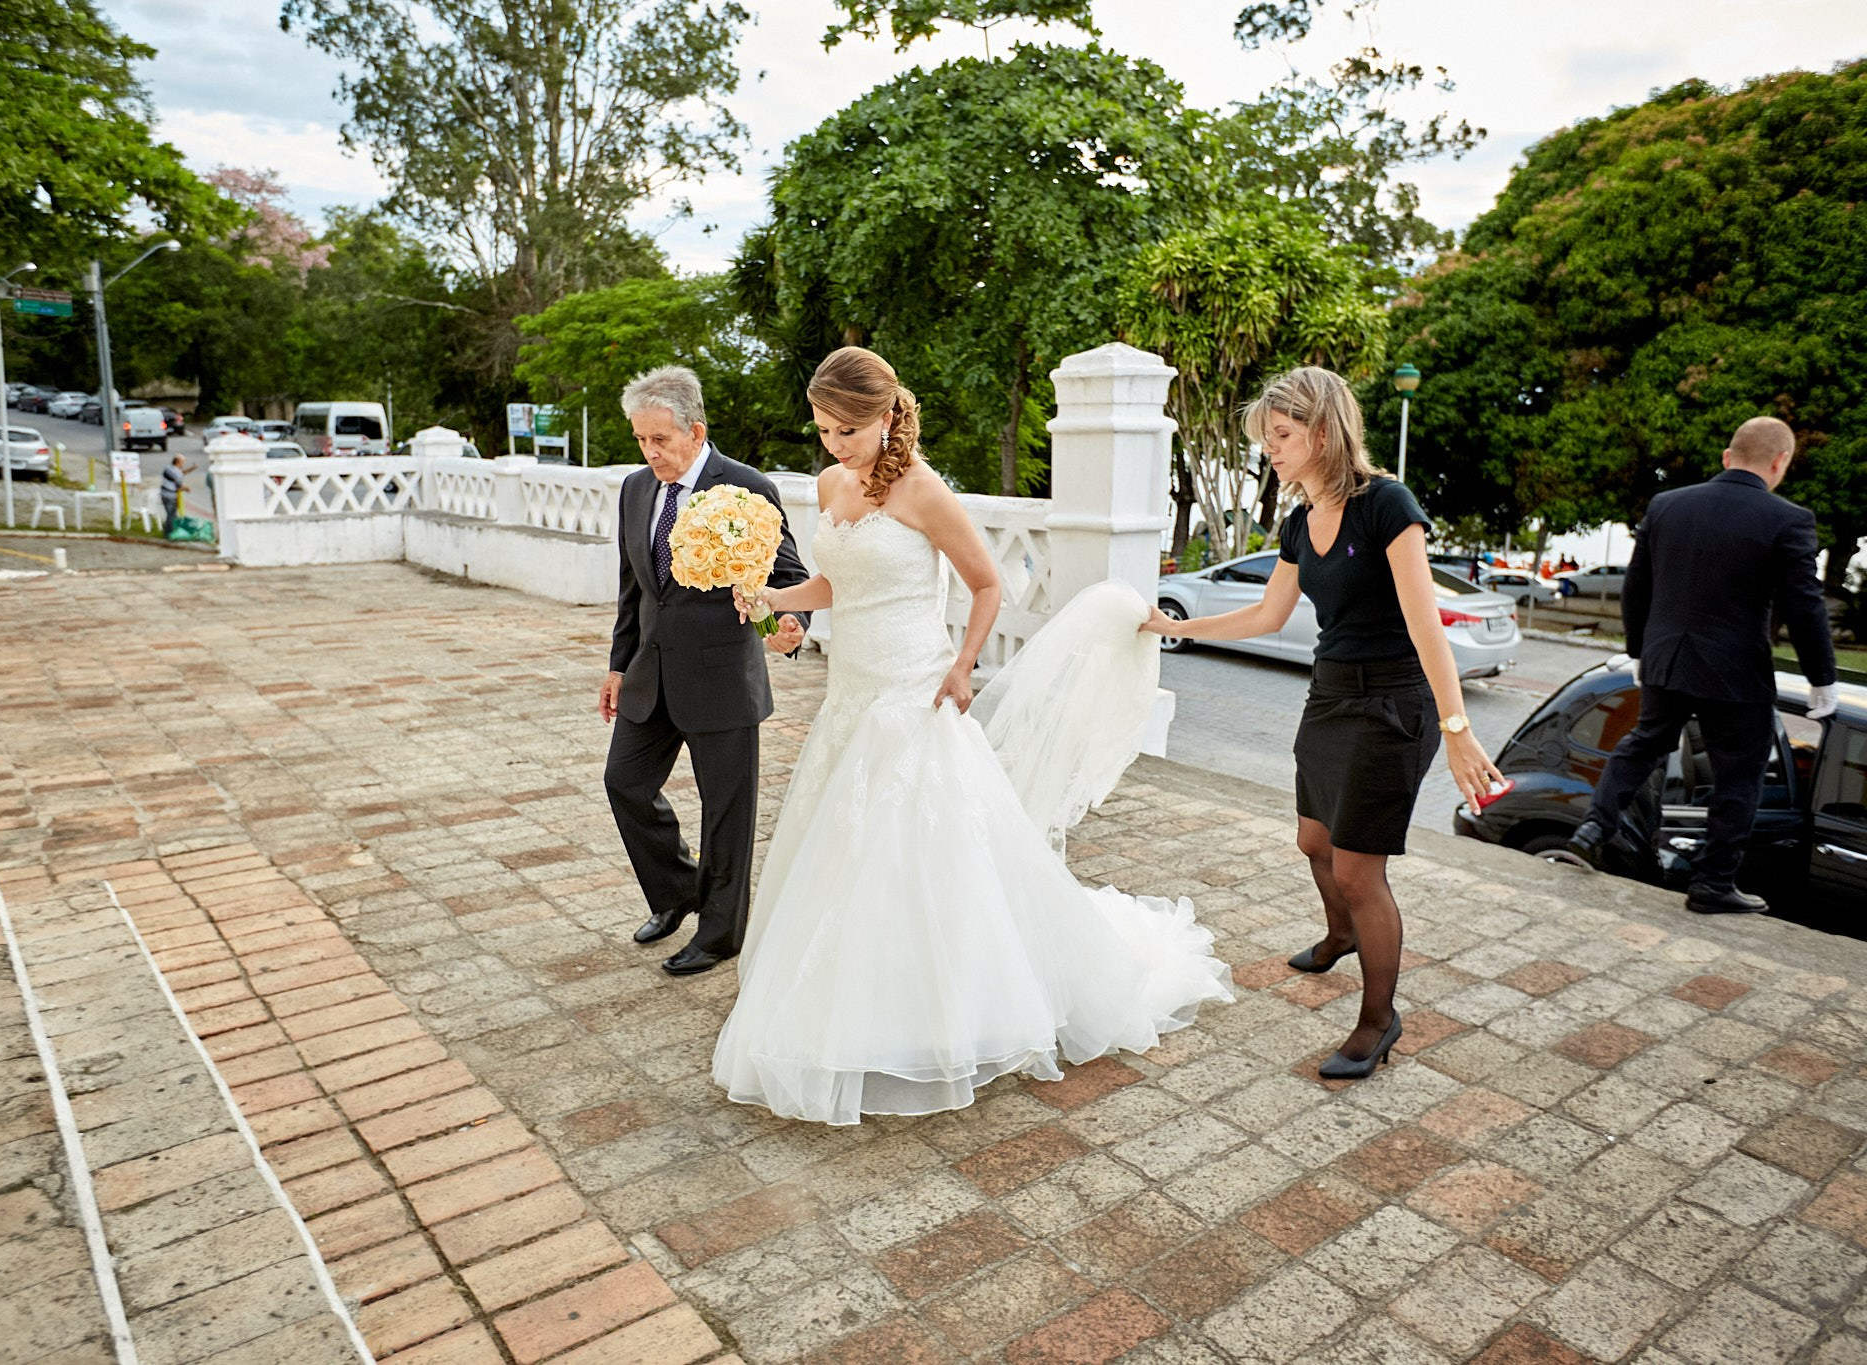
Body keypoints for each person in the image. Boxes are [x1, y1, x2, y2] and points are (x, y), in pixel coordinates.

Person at [712, 346, 1231, 1125]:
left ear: (887, 416)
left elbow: (987, 583)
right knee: (842, 851)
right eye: (822, 429)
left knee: (918, 853)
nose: (833, 444)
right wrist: (776, 596)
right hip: (850, 695)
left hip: (915, 694)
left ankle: (948, 1012)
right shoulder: (827, 484)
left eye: (846, 429)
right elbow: (841, 583)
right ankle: (856, 1001)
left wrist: (963, 666)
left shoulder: (924, 491)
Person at [1143, 366, 1503, 1079]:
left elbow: (1425, 620)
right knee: (1314, 838)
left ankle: (1378, 1019)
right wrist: (1171, 626)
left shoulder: (1386, 505)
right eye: (1267, 437)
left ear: (1322, 430)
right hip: (1331, 693)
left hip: (1394, 702)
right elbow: (1269, 614)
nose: (1270, 449)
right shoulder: (1299, 519)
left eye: (1281, 434)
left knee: (1359, 869)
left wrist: (1457, 727)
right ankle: (1340, 931)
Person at [1565, 416, 1838, 913]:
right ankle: (1713, 884)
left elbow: (1636, 587)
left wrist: (1639, 650)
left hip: (1669, 659)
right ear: (1780, 464)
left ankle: (1593, 826)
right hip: (1736, 674)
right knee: (1740, 772)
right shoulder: (1789, 519)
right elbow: (1804, 605)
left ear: (1726, 457)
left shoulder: (1668, 505)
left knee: (1645, 741)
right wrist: (1822, 680)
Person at [600, 366, 811, 977]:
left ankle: (720, 934)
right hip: (650, 674)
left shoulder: (745, 488)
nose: (649, 452)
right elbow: (632, 590)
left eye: (659, 440)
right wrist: (618, 666)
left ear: (696, 431)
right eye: (640, 440)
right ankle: (677, 893)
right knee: (625, 783)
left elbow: (787, 578)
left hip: (721, 678)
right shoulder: (636, 489)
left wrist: (788, 629)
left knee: (726, 813)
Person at [158, 454, 195, 536]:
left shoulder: (168, 468)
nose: (184, 464)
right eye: (183, 462)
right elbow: (179, 486)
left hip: (163, 494)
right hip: (171, 496)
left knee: (170, 514)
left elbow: (180, 473)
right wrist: (186, 488)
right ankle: (169, 533)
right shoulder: (177, 473)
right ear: (179, 462)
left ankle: (169, 531)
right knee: (172, 515)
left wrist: (191, 469)